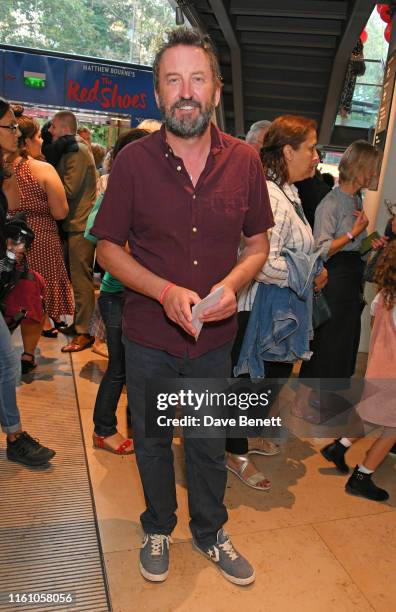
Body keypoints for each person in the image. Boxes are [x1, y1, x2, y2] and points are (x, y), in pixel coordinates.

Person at [92, 27, 273, 586]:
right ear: (158, 93)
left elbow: (258, 245)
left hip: (214, 341)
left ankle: (210, 530)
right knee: (149, 440)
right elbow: (106, 248)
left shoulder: (244, 162)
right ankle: (157, 525)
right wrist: (164, 291)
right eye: (174, 80)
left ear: (217, 91)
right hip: (147, 337)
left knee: (206, 442)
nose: (186, 91)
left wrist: (234, 286)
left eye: (198, 79)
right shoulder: (133, 163)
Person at [227, 115, 327, 490]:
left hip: (274, 307)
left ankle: (242, 441)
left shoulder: (288, 191)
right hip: (258, 309)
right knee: (249, 385)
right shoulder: (271, 195)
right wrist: (305, 274)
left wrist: (310, 268)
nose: (316, 157)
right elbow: (262, 261)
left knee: (265, 383)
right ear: (288, 151)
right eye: (311, 148)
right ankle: (234, 452)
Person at [85, 128, 149, 454]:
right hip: (119, 294)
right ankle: (103, 429)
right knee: (120, 367)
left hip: (143, 296)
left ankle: (135, 427)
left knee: (138, 368)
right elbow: (93, 230)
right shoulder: (114, 185)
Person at [299, 141, 379, 395]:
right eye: (372, 168)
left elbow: (355, 246)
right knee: (328, 344)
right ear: (358, 167)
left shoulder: (355, 199)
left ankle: (325, 403)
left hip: (351, 281)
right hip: (334, 280)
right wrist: (352, 232)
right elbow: (321, 249)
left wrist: (370, 244)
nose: (374, 174)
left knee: (344, 344)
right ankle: (309, 403)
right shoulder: (330, 203)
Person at [320, 240, 396, 501]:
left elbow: (377, 326)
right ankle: (362, 476)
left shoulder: (384, 295)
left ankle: (338, 448)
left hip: (379, 367)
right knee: (393, 429)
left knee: (372, 416)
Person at [0, 120, 55, 465]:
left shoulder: (7, 171)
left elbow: (13, 206)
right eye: (9, 126)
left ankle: (15, 434)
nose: (17, 133)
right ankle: (15, 435)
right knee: (6, 363)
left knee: (7, 363)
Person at [10, 112, 73, 348]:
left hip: (10, 240)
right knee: (37, 296)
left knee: (12, 292)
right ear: (25, 141)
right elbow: (60, 212)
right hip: (41, 240)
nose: (42, 141)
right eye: (38, 136)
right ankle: (28, 352)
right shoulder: (43, 169)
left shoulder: (6, 169)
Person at [49, 111, 97, 352]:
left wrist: (45, 182)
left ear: (64, 127)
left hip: (81, 225)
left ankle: (84, 332)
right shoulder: (73, 148)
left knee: (81, 281)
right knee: (77, 279)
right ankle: (79, 324)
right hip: (76, 224)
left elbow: (69, 189)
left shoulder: (76, 150)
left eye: (53, 127)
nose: (50, 131)